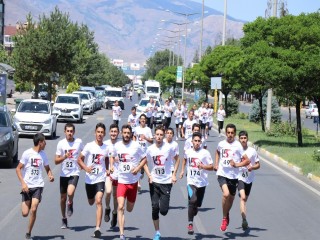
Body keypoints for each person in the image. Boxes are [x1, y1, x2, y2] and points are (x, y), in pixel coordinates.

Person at [110, 124, 147, 240]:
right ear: (121, 133)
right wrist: (111, 166)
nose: (126, 135)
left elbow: (145, 158)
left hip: (133, 182)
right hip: (121, 181)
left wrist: (138, 168)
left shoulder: (136, 146)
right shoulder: (117, 146)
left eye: (128, 133)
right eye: (124, 133)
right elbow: (112, 156)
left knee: (129, 208)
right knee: (120, 207)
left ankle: (126, 210)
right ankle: (122, 234)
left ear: (131, 134)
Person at [16, 133, 54, 240]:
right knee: (25, 213)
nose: (45, 143)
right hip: (27, 186)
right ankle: (26, 205)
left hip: (38, 185)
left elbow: (47, 168)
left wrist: (50, 175)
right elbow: (18, 169)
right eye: (44, 141)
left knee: (34, 209)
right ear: (40, 143)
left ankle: (28, 232)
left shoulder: (43, 155)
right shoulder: (27, 153)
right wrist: (23, 183)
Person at [144, 126, 179, 240]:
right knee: (154, 207)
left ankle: (162, 208)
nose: (158, 137)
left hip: (166, 182)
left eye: (160, 135)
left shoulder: (168, 148)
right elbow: (144, 162)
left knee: (163, 211)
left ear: (163, 136)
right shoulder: (150, 149)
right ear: (154, 136)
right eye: (157, 134)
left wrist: (174, 174)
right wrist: (149, 175)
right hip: (154, 181)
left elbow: (177, 159)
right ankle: (157, 232)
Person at [214, 123, 250, 232]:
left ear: (234, 134)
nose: (230, 135)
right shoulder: (221, 144)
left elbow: (247, 160)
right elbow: (217, 152)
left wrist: (237, 165)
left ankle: (226, 213)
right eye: (228, 132)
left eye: (232, 133)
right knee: (226, 194)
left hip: (234, 176)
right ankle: (224, 218)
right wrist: (216, 163)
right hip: (222, 173)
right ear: (226, 133)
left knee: (231, 199)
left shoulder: (238, 146)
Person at [77, 123, 110, 238]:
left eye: (102, 132)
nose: (100, 134)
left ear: (104, 134)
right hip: (89, 179)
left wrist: (106, 169)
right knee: (91, 202)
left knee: (99, 200)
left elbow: (106, 158)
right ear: (95, 133)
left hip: (100, 178)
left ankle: (97, 228)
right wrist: (86, 168)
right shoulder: (89, 146)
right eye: (98, 132)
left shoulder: (106, 148)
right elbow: (79, 159)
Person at [179, 132, 213, 235]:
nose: (197, 143)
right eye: (195, 141)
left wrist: (203, 166)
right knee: (192, 200)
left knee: (198, 203)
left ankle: (195, 208)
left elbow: (211, 167)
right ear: (192, 142)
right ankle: (190, 224)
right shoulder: (188, 152)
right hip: (191, 181)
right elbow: (184, 160)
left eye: (199, 141)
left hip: (202, 182)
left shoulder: (205, 153)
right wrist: (182, 171)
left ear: (201, 142)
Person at [55, 123, 84, 229]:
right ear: (64, 132)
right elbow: (56, 161)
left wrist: (81, 163)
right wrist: (64, 157)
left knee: (70, 192)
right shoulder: (61, 144)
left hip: (74, 172)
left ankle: (70, 202)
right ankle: (64, 218)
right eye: (68, 131)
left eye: (71, 131)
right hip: (64, 174)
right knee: (62, 198)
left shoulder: (79, 142)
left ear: (74, 132)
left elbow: (83, 153)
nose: (69, 133)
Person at [230, 130, 260, 230]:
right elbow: (231, 163)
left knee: (244, 200)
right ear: (239, 139)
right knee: (242, 198)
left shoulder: (252, 151)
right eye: (241, 138)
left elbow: (258, 165)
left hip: (249, 178)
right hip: (239, 177)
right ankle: (244, 220)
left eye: (245, 138)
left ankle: (244, 217)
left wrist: (252, 167)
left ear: (247, 139)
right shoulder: (236, 151)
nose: (243, 140)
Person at [103, 124, 120, 228]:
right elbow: (104, 158)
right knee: (108, 192)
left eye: (115, 131)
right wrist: (107, 169)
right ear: (109, 133)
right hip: (109, 173)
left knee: (115, 196)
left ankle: (114, 213)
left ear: (118, 133)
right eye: (112, 131)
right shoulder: (105, 144)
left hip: (119, 174)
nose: (113, 133)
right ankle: (108, 208)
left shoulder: (121, 144)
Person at [134, 113, 154, 191]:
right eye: (141, 118)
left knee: (144, 168)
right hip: (138, 151)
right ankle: (138, 183)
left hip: (145, 151)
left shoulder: (148, 129)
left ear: (145, 120)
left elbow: (152, 141)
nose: (142, 120)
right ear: (139, 120)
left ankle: (142, 174)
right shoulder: (136, 129)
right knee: (137, 165)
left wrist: (145, 138)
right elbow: (134, 137)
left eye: (144, 119)